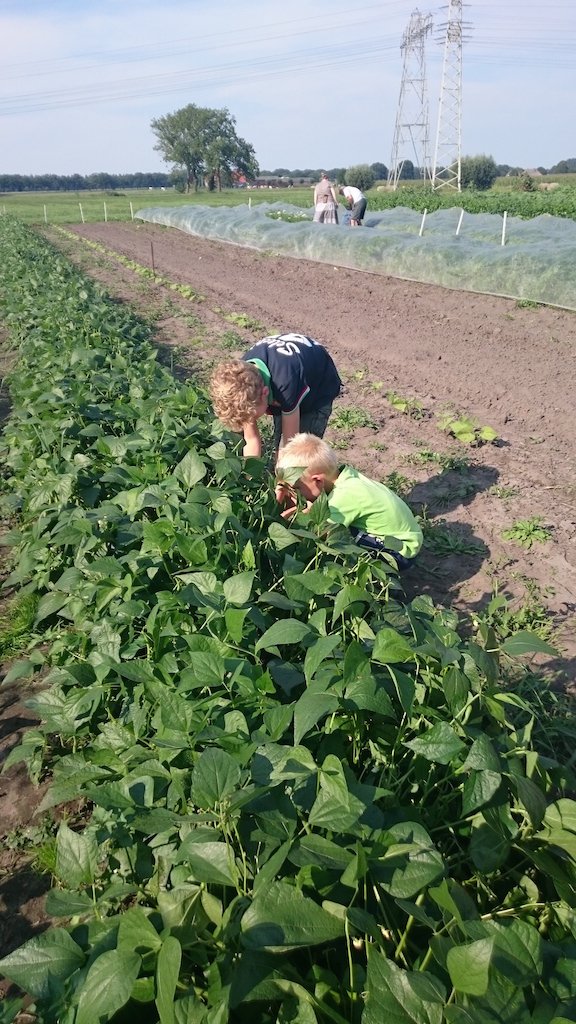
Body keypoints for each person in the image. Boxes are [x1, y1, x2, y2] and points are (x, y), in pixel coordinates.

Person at [275, 433, 423, 570]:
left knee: (335, 536)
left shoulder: (344, 497)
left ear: (317, 481)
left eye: (297, 488)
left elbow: (315, 530)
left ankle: (379, 580)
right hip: (409, 537)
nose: (295, 492)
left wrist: (280, 523)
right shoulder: (345, 475)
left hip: (399, 552)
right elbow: (313, 508)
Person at [209, 333, 342, 458]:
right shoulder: (243, 381)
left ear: (265, 393)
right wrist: (249, 476)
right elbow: (251, 440)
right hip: (285, 375)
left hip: (319, 385)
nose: (250, 421)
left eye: (253, 417)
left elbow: (290, 446)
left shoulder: (285, 384)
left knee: (301, 452)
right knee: (280, 438)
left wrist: (283, 477)